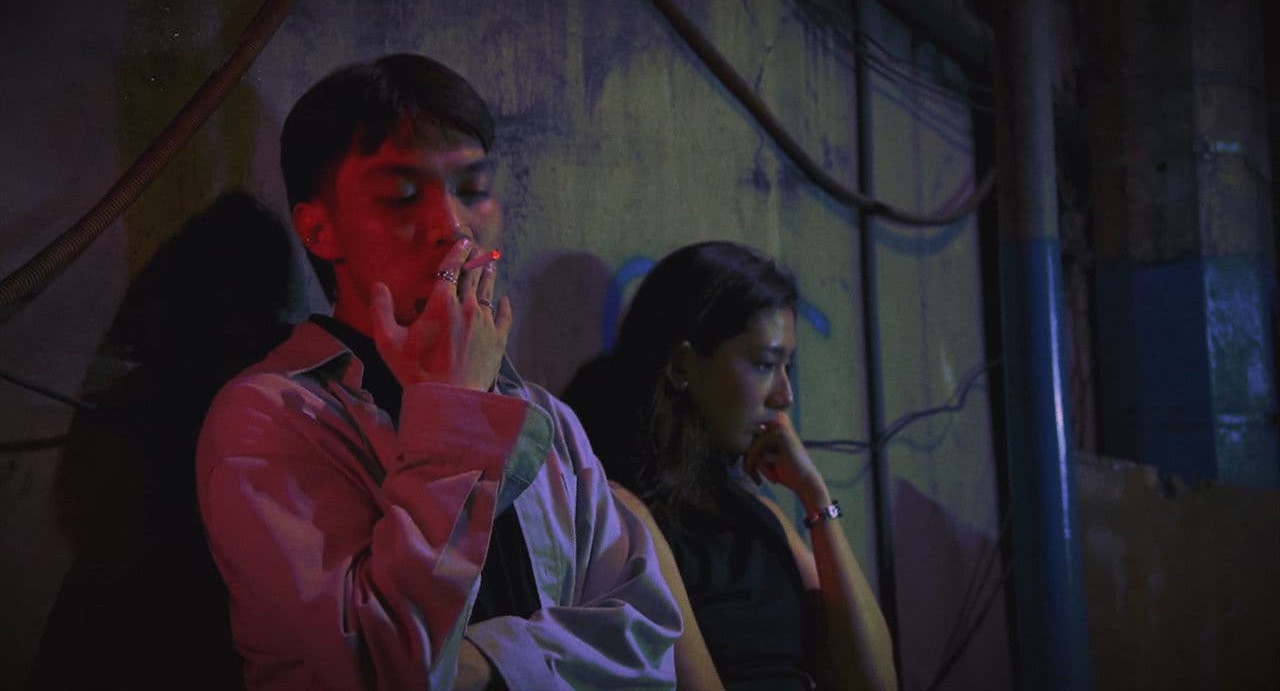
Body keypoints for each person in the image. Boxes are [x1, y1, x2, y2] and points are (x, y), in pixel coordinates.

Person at [195, 54, 680, 690]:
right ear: (319, 229)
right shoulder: (270, 417)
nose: (453, 227)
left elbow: (648, 650)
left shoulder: (546, 418)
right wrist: (453, 408)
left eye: (473, 190)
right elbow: (377, 668)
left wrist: (481, 666)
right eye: (401, 196)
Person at [563, 241, 898, 691]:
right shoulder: (626, 516)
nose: (784, 396)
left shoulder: (759, 514)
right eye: (765, 365)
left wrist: (815, 498)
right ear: (683, 366)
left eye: (788, 367)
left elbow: (875, 681)